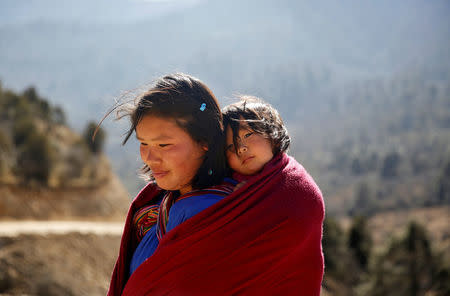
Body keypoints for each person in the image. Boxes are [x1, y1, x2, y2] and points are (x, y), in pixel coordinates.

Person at [107, 73, 235, 295]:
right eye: (143, 143)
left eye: (164, 145)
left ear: (204, 140)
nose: (149, 157)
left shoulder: (213, 215)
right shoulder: (160, 207)